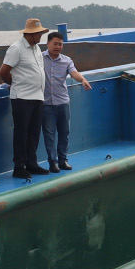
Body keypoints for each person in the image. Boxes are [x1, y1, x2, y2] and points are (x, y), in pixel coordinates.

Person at [0, 18, 51, 177]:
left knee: (34, 132)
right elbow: (3, 72)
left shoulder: (36, 49)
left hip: (38, 96)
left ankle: (32, 163)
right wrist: (15, 84)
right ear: (29, 34)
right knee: (22, 132)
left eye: (41, 32)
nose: (41, 35)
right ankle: (19, 166)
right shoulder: (16, 48)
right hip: (21, 97)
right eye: (38, 33)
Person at [41, 31, 92, 172]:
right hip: (46, 104)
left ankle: (63, 160)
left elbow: (73, 72)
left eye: (60, 44)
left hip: (62, 102)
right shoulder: (39, 58)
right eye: (55, 44)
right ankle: (53, 162)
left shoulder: (67, 60)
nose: (58, 47)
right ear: (48, 44)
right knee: (49, 135)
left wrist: (82, 80)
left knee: (64, 133)